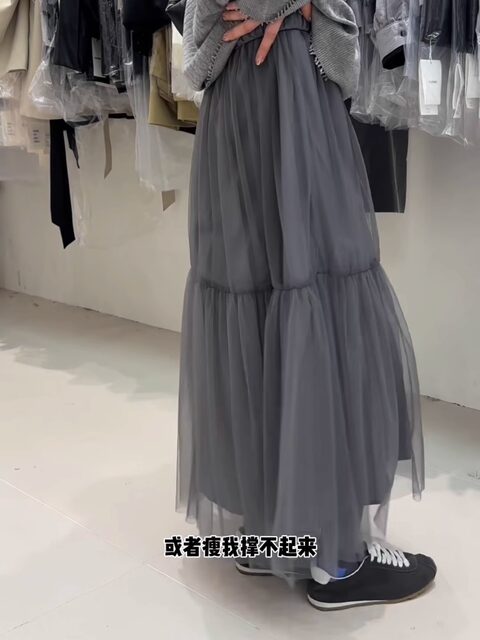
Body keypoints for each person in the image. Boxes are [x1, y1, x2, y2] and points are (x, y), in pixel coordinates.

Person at [176, 0, 436, 611]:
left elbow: (201, 48)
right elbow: (328, 46)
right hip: (290, 88)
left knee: (258, 290)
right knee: (314, 287)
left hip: (234, 101)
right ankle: (336, 562)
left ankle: (272, 528)